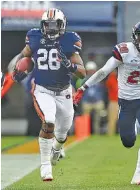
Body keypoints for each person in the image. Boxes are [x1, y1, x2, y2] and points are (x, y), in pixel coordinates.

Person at [74, 21, 140, 185]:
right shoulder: (125, 51)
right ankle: (130, 125)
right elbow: (104, 71)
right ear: (135, 37)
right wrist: (83, 88)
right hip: (125, 101)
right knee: (128, 142)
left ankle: (138, 175)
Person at [10, 8, 86, 181]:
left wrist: (69, 65)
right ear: (42, 25)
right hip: (42, 89)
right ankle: (45, 167)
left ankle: (57, 149)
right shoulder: (35, 37)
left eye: (55, 25)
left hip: (64, 91)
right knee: (49, 120)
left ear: (62, 25)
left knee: (62, 134)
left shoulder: (69, 40)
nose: (51, 28)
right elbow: (24, 57)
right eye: (48, 25)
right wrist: (17, 70)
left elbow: (82, 73)